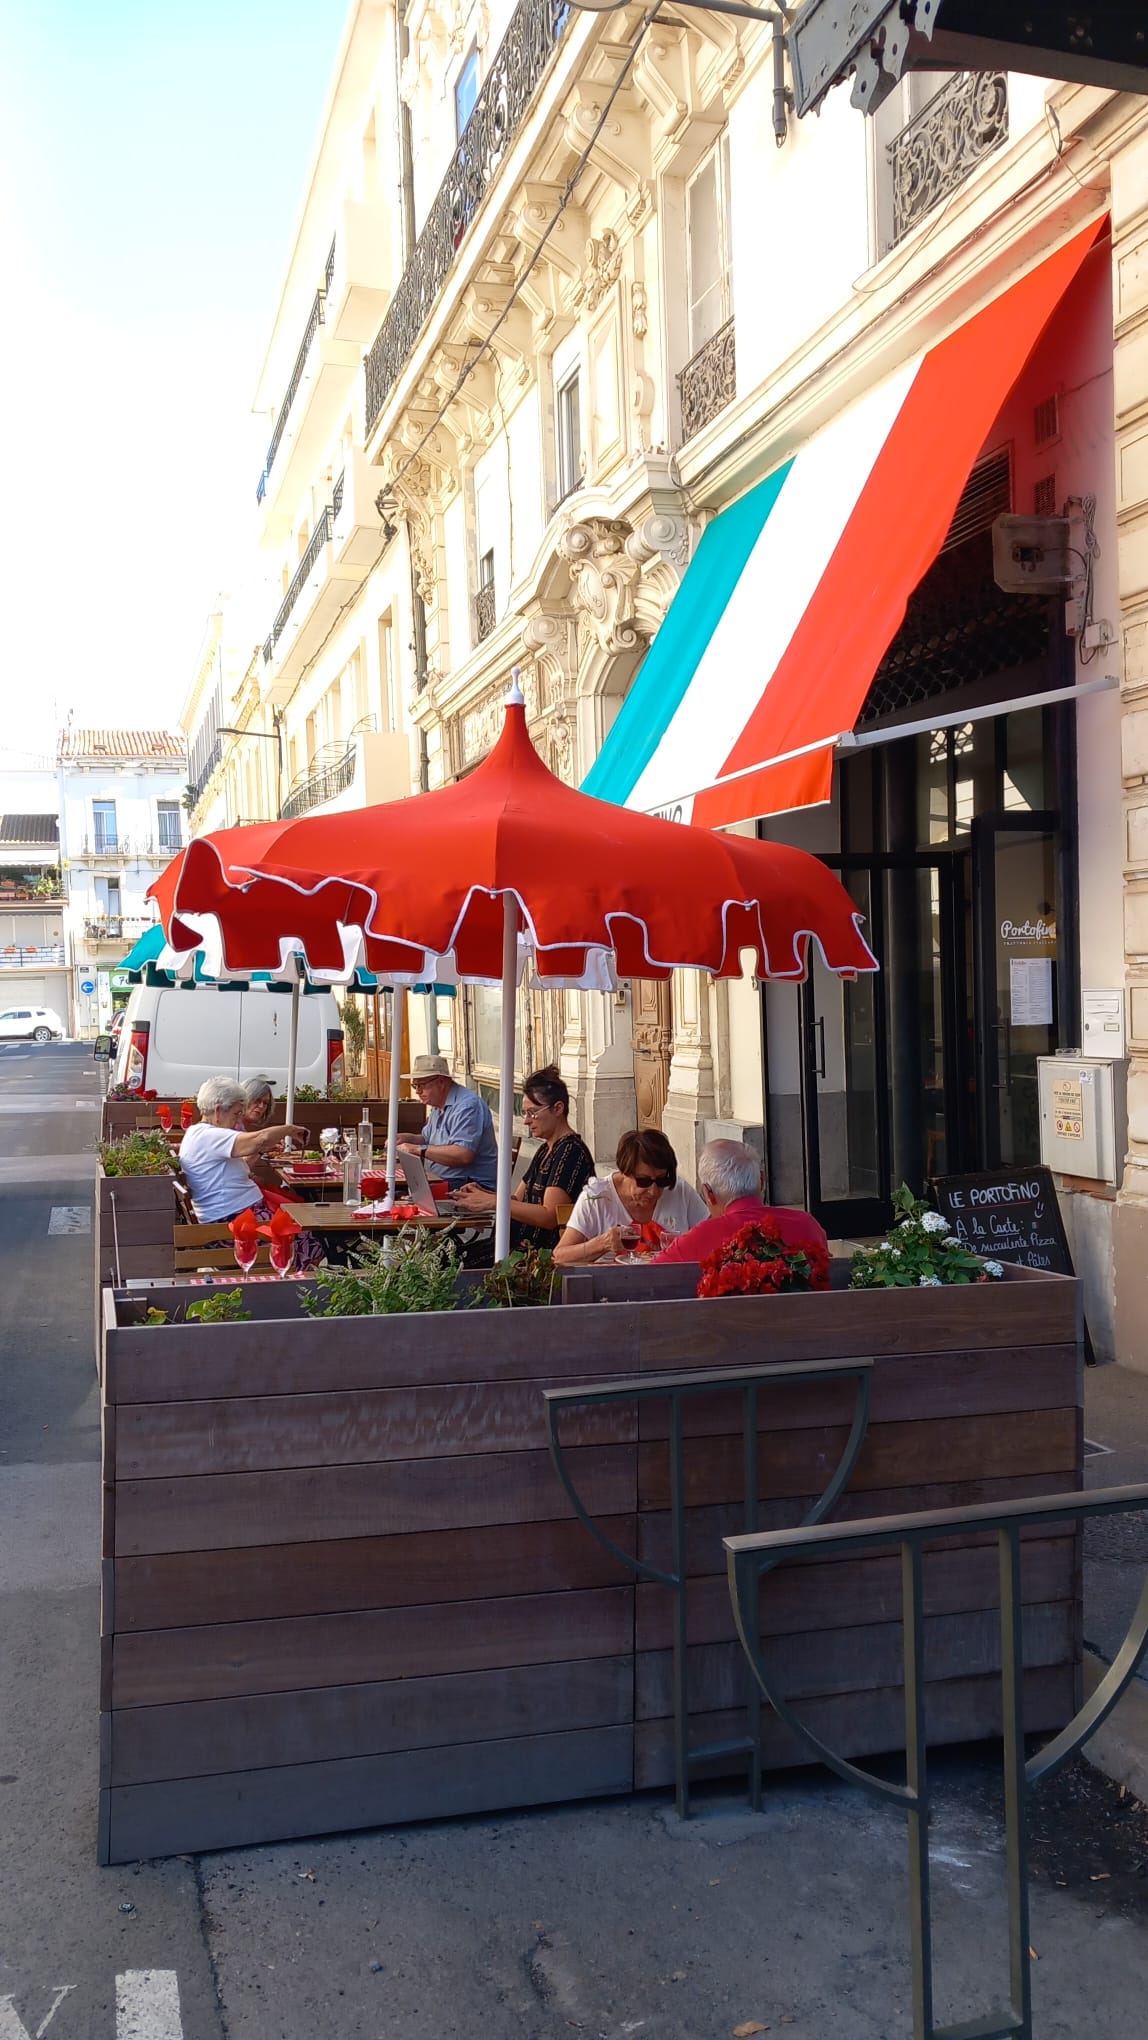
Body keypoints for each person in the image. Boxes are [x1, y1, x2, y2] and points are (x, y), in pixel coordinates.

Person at [178, 1075, 321, 1268]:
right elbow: (261, 1139)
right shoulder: (210, 1135)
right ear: (218, 1111)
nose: (239, 1119)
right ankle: (299, 1281)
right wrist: (289, 1129)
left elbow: (247, 1160)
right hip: (234, 1225)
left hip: (236, 1217)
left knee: (306, 1220)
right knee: (310, 1230)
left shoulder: (199, 1133)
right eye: (237, 1113)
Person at [453, 1065, 594, 1249]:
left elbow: (549, 1216)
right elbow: (517, 1200)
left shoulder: (570, 1153)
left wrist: (494, 1202)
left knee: (448, 1260)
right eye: (525, 1113)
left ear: (558, 1108)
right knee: (443, 1256)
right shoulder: (545, 1149)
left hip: (535, 1255)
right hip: (516, 1246)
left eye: (533, 1112)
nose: (527, 1120)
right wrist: (482, 1195)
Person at [653, 1137, 829, 1266]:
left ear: (708, 1193)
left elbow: (648, 1278)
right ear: (762, 1180)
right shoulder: (807, 1225)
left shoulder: (696, 1240)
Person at [554, 1127, 707, 1266]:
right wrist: (602, 1244)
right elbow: (560, 1257)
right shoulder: (597, 1197)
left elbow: (712, 1237)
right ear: (624, 1172)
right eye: (644, 1181)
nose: (653, 1191)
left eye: (662, 1180)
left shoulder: (680, 1191)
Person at [396, 1053, 499, 1191]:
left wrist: (416, 1149)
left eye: (422, 1085)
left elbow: (462, 1155)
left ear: (441, 1082)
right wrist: (407, 1139)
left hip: (469, 1186)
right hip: (442, 1181)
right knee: (391, 1192)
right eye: (415, 1085)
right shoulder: (438, 1104)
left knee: (397, 1195)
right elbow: (427, 1139)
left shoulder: (467, 1106)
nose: (418, 1091)